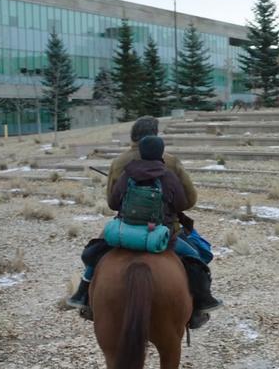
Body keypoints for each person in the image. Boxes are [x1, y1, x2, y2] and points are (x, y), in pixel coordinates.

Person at [67, 117, 222, 321]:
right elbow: (188, 201)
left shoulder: (120, 163)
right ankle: (199, 307)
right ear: (155, 138)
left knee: (95, 253)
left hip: (126, 227)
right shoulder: (171, 163)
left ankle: (83, 296)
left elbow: (113, 203)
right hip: (163, 230)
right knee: (195, 257)